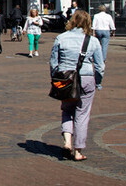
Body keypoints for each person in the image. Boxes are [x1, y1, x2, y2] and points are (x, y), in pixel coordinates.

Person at [50, 9, 104, 162]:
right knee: (82, 114)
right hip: (86, 78)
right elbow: (100, 66)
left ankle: (67, 142)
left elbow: (54, 62)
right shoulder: (92, 41)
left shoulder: (61, 38)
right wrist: (98, 82)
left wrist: (55, 79)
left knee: (66, 110)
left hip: (66, 79)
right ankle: (78, 150)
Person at [91, 5, 115, 78]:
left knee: (98, 45)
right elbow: (112, 24)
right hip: (106, 30)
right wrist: (113, 31)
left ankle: (97, 58)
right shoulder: (108, 16)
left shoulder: (96, 16)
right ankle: (103, 59)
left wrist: (93, 32)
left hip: (98, 30)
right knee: (105, 46)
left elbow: (93, 25)